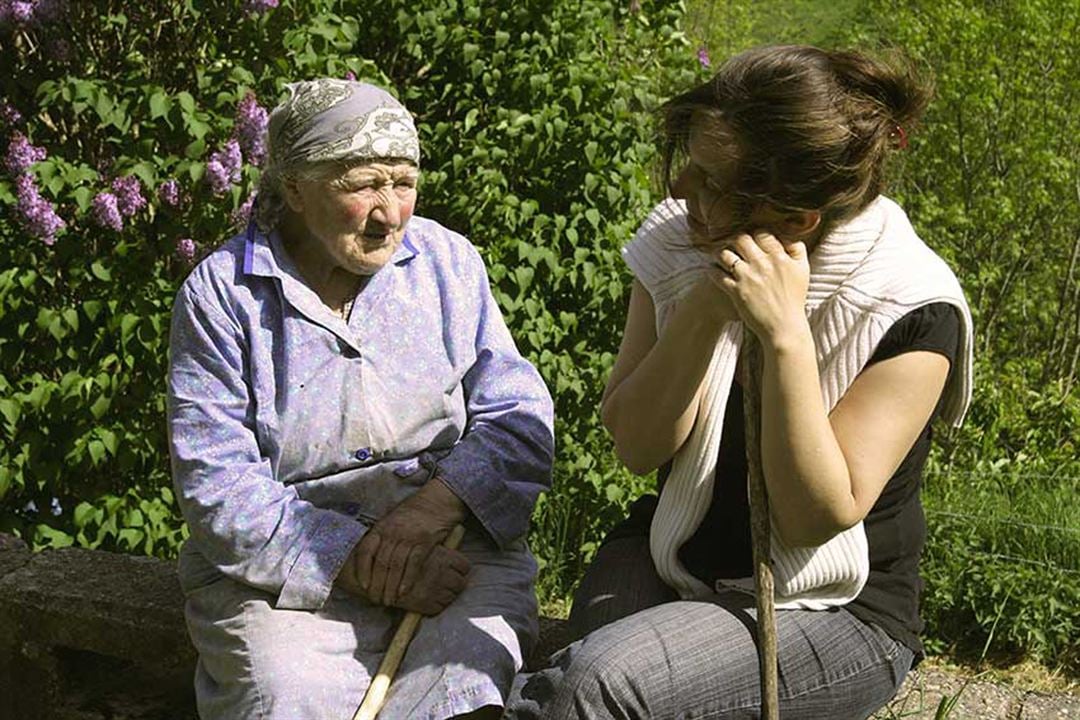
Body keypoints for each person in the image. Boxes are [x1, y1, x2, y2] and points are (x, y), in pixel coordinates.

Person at [504, 45, 973, 719]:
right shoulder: (678, 241)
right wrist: (704, 307)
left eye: (710, 178)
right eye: (688, 160)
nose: (678, 189)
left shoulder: (910, 302)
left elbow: (814, 517)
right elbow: (637, 447)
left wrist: (784, 338)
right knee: (580, 675)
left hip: (838, 608)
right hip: (671, 550)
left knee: (597, 684)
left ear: (794, 219)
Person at [167, 79, 554, 719]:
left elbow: (519, 420)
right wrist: (358, 559)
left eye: (403, 182)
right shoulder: (223, 296)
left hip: (451, 553)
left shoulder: (447, 264)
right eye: (364, 185)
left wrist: (430, 511)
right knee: (287, 698)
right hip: (282, 577)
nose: (390, 212)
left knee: (458, 695)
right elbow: (218, 486)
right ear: (294, 186)